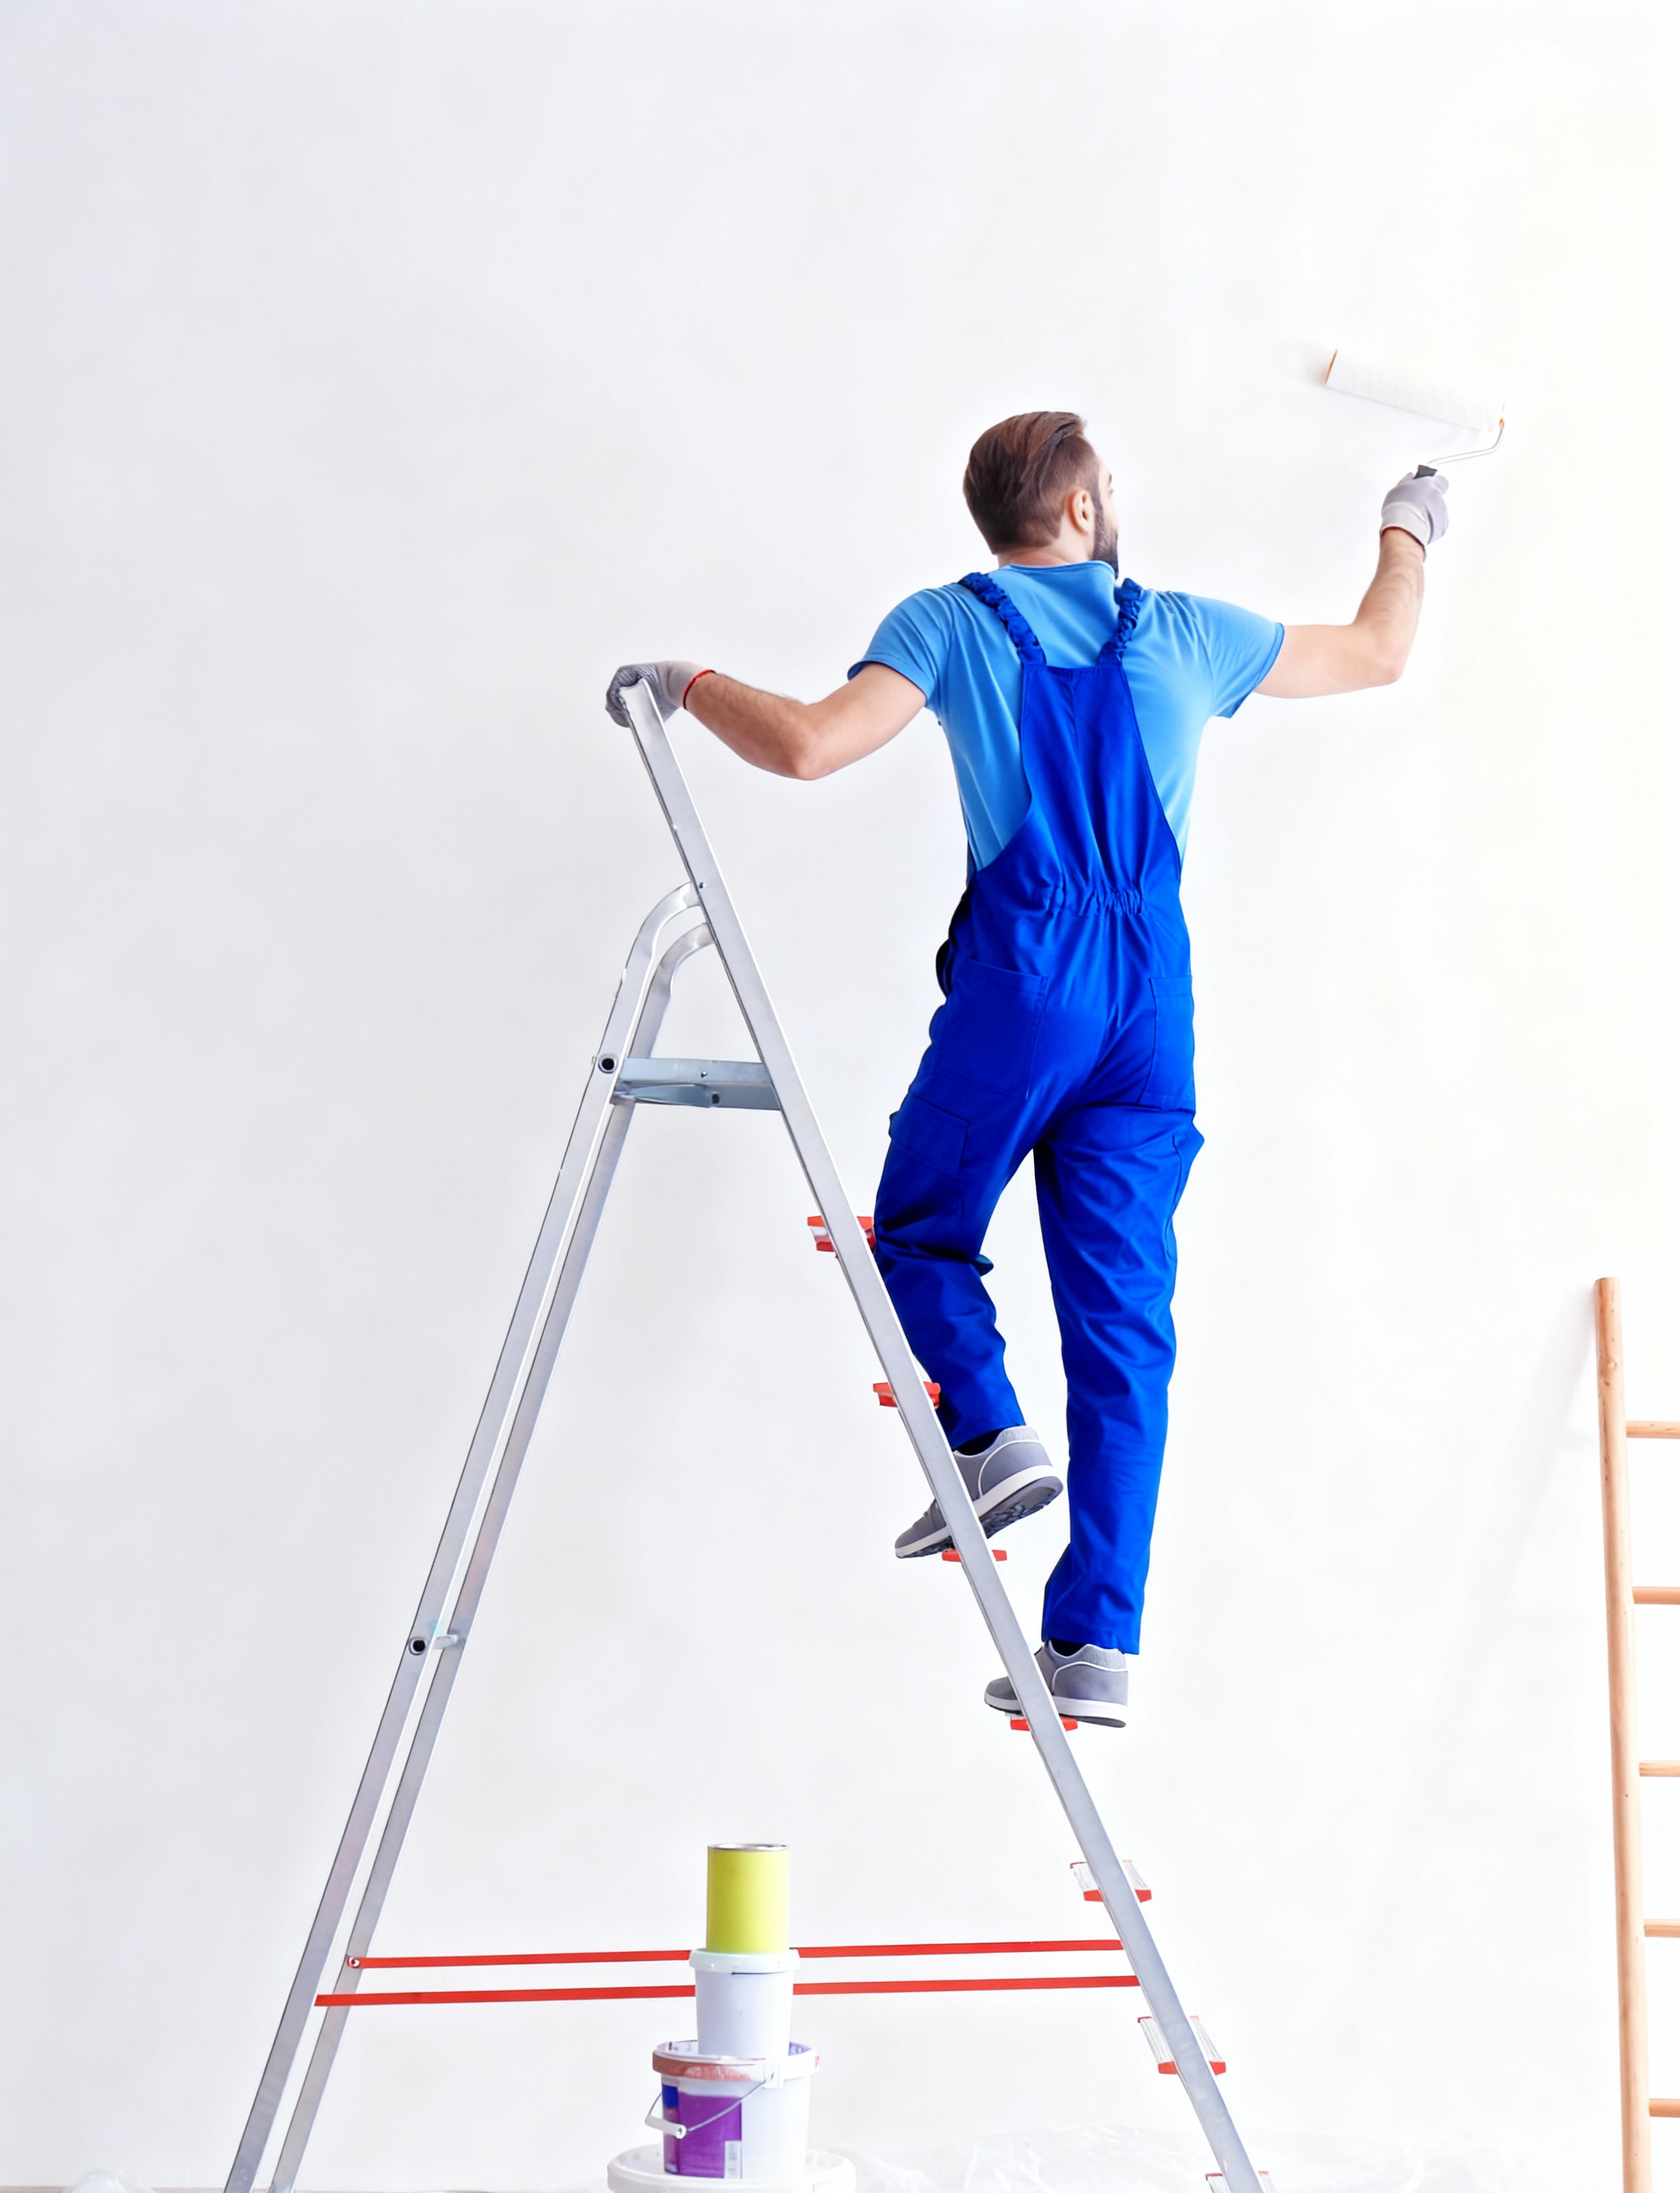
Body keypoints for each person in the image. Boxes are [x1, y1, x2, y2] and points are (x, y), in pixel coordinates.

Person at [607, 411, 1445, 1727]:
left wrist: (690, 680)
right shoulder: (1179, 630)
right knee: (1124, 1333)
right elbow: (1380, 647)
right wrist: (1411, 517)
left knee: (919, 1226)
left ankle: (989, 1432)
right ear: (1067, 513)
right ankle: (1096, 1643)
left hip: (1029, 981)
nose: (1116, 500)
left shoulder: (951, 625)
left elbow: (810, 745)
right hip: (1150, 1011)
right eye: (1105, 485)